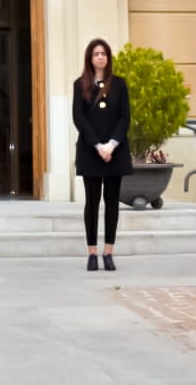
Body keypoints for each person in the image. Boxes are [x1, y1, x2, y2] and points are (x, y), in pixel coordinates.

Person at [71, 37, 132, 272]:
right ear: (90, 58)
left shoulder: (119, 84)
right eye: (96, 54)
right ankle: (92, 253)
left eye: (104, 53)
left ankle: (108, 251)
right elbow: (79, 118)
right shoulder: (80, 85)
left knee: (112, 203)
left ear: (108, 58)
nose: (100, 57)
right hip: (91, 151)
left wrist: (112, 145)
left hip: (115, 152)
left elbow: (124, 116)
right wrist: (98, 145)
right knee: (92, 203)